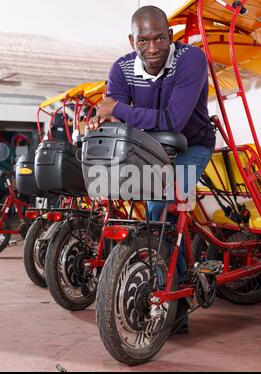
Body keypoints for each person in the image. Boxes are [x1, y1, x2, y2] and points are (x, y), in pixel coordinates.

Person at [89, 5, 216, 333]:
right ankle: (166, 281)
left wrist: (118, 107)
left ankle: (177, 308)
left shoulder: (191, 59)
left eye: (160, 38)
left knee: (164, 207)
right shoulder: (121, 68)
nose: (153, 47)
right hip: (149, 148)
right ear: (132, 40)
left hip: (194, 146)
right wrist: (112, 114)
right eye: (143, 40)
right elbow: (114, 119)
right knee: (146, 213)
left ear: (170, 36)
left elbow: (174, 120)